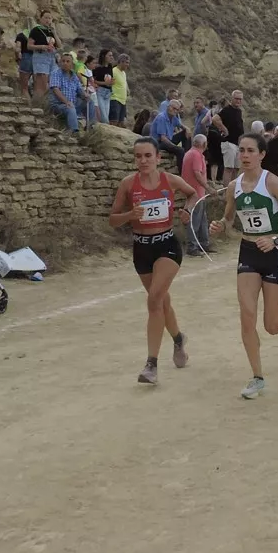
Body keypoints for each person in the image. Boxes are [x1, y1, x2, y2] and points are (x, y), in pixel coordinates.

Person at [210, 132, 278, 400]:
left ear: (262, 155)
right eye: (242, 150)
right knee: (247, 316)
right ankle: (257, 377)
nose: (245, 155)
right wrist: (219, 226)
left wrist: (276, 239)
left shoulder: (271, 182)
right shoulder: (234, 186)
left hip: (272, 254)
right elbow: (229, 219)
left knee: (272, 325)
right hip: (248, 253)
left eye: (250, 151)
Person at [109, 137, 201, 384]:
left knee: (154, 300)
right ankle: (179, 339)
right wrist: (130, 214)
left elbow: (193, 194)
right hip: (141, 249)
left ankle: (151, 365)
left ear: (158, 158)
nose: (143, 160)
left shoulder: (170, 180)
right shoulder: (128, 184)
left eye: (148, 155)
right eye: (138, 156)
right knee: (161, 302)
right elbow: (113, 220)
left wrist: (187, 210)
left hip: (167, 246)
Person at [181, 135, 212, 255]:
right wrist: (208, 188)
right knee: (195, 220)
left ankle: (204, 244)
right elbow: (197, 174)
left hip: (194, 192)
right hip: (196, 193)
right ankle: (193, 247)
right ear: (204, 144)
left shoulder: (189, 153)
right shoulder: (196, 155)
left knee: (202, 220)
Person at [48, 52, 90, 133]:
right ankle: (74, 131)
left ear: (72, 64)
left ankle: (91, 126)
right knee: (71, 108)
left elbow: (79, 89)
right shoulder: (56, 73)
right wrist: (66, 102)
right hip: (58, 104)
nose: (65, 63)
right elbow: (56, 90)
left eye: (68, 61)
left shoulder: (74, 76)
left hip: (72, 102)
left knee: (89, 102)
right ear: (60, 63)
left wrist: (85, 95)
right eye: (63, 61)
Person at [27, 11, 60, 98]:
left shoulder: (51, 31)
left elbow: (59, 45)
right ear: (41, 18)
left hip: (52, 57)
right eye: (45, 17)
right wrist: (42, 46)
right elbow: (29, 46)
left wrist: (55, 32)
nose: (48, 20)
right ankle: (38, 101)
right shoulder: (36, 30)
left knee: (54, 81)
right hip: (40, 56)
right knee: (42, 83)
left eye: (50, 18)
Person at [110, 53, 131, 126]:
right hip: (115, 100)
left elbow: (124, 82)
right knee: (114, 122)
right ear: (121, 62)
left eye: (128, 63)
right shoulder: (113, 71)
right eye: (126, 63)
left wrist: (127, 90)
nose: (128, 65)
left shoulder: (124, 73)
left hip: (123, 101)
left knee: (122, 123)